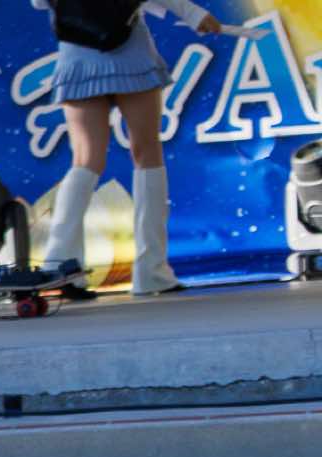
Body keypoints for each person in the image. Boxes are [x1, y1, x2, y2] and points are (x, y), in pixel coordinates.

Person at [33, 0, 226, 295]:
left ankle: (60, 263)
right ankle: (151, 270)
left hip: (78, 56)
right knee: (147, 153)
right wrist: (193, 13)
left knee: (85, 159)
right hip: (130, 54)